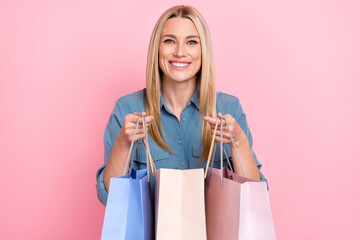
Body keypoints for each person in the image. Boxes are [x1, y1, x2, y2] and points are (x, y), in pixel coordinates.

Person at [96, 5, 268, 206]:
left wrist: (239, 143)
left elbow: (255, 196)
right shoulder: (127, 108)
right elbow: (110, 197)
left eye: (191, 42)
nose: (179, 52)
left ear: (203, 50)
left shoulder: (229, 108)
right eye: (169, 41)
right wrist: (123, 143)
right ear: (156, 48)